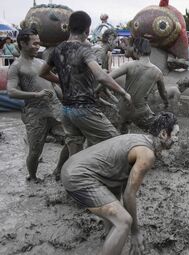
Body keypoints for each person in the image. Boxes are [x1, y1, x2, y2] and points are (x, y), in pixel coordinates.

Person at [61, 112, 179, 255]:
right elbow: (129, 194)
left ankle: (109, 239)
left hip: (74, 167)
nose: (177, 139)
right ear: (163, 134)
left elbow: (119, 182)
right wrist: (135, 232)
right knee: (124, 221)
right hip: (78, 176)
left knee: (115, 209)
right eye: (175, 134)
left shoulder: (141, 139)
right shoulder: (147, 154)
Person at [40, 11, 132, 161]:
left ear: (69, 28)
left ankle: (66, 176)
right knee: (116, 142)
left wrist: (63, 80)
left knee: (74, 151)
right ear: (88, 30)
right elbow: (101, 76)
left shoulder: (57, 50)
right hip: (84, 109)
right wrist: (123, 92)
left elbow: (42, 73)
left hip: (66, 110)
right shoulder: (84, 50)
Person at [7, 28, 68, 183]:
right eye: (34, 43)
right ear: (22, 43)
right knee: (35, 151)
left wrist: (67, 97)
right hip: (35, 112)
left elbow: (55, 85)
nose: (37, 46)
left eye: (38, 43)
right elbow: (11, 91)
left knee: (73, 138)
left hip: (55, 108)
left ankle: (59, 169)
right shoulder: (16, 66)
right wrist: (35, 95)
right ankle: (33, 177)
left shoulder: (41, 62)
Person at [107, 37, 168, 133]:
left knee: (122, 130)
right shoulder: (158, 72)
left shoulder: (129, 65)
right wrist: (166, 102)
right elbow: (163, 93)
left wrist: (97, 90)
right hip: (141, 111)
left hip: (124, 108)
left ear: (135, 50)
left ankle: (124, 137)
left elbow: (107, 78)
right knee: (155, 131)